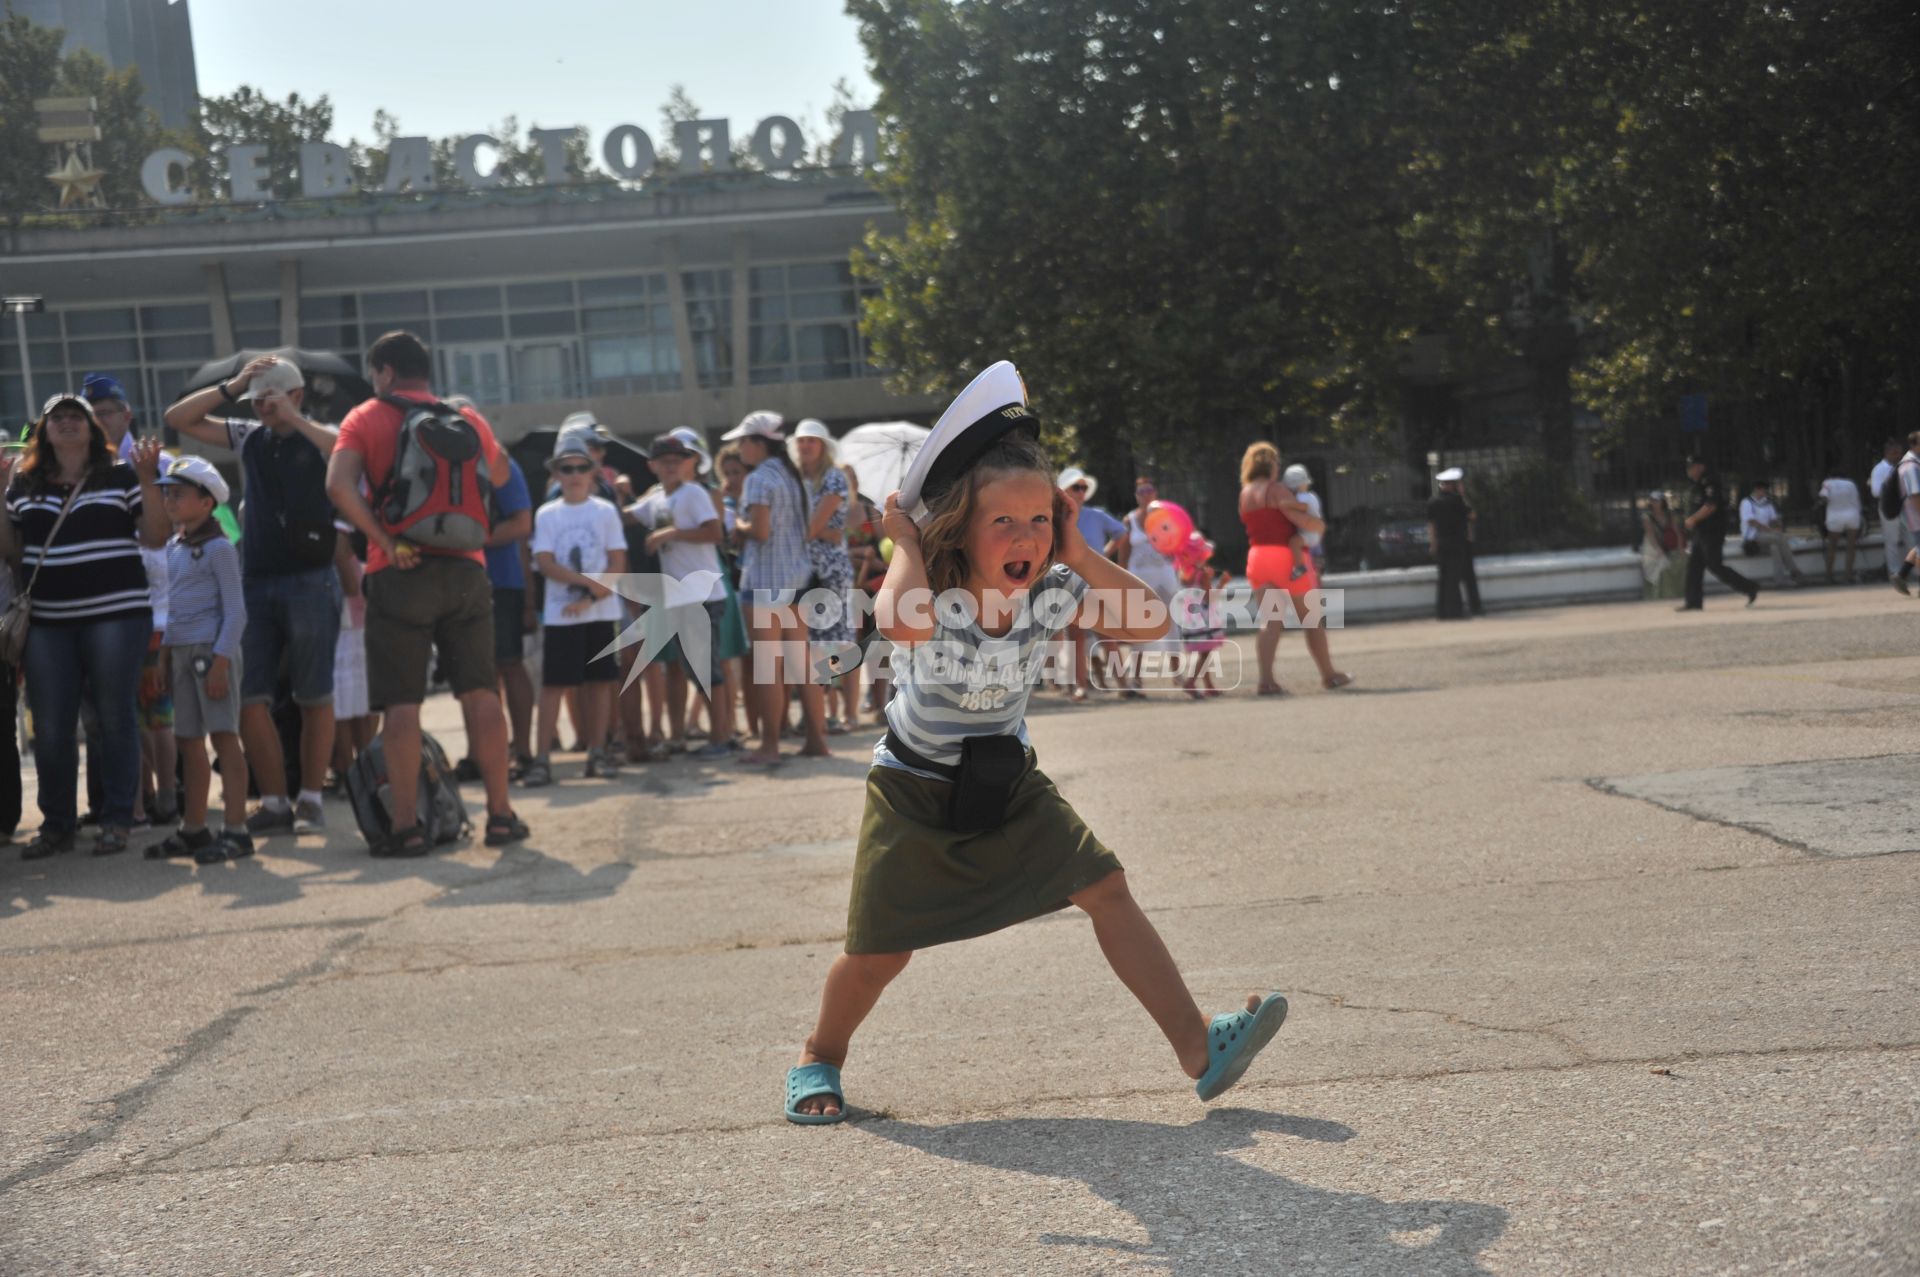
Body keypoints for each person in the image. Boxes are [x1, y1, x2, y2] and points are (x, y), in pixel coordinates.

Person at [783, 361, 1287, 1124]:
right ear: (960, 526)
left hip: (1007, 780)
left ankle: (1200, 1048)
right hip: (914, 789)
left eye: (1040, 520)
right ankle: (820, 1054)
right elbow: (901, 623)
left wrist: (1080, 552)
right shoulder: (936, 580)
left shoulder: (1053, 583)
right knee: (878, 955)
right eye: (1004, 523)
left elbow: (1152, 622)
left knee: (1106, 887)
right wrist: (904, 544)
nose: (1026, 537)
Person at [325, 330, 529, 856]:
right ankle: (501, 816)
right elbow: (501, 471)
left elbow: (338, 486)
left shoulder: (366, 417)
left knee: (402, 703)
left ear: (386, 371)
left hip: (401, 569)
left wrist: (385, 542)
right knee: (481, 694)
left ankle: (405, 826)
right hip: (466, 567)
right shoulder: (465, 418)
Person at [164, 355, 343, 836]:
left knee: (313, 694)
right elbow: (178, 421)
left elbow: (348, 447)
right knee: (250, 697)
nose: (261, 406)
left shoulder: (320, 435)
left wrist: (295, 418)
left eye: (270, 396)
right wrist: (234, 386)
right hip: (257, 580)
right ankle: (275, 801)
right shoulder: (249, 436)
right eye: (256, 399)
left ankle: (310, 799)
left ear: (297, 395)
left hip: (312, 577)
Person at [0, 395, 170, 858]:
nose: (68, 423)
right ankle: (57, 824)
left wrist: (149, 479)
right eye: (58, 417)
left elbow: (156, 536)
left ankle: (117, 819)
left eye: (77, 416)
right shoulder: (24, 485)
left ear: (93, 430)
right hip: (49, 622)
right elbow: (10, 552)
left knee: (114, 718)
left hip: (116, 614)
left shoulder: (120, 476)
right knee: (51, 727)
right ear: (44, 432)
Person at [147, 457, 253, 865]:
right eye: (166, 493)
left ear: (207, 502)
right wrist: (163, 657)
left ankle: (236, 829)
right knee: (187, 740)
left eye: (179, 493)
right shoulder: (175, 546)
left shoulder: (219, 548)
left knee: (224, 737)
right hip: (182, 652)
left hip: (212, 652)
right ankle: (194, 828)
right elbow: (174, 609)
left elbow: (236, 612)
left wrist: (223, 662)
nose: (170, 500)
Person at [83, 374, 177, 828]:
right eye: (93, 412)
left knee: (152, 713)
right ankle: (129, 800)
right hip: (106, 606)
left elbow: (173, 529)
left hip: (153, 604)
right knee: (116, 713)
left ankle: (163, 797)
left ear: (127, 414)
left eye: (107, 411)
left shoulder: (155, 462)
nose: (100, 420)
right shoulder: (79, 466)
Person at [520, 433, 628, 785]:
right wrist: (587, 586)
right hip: (561, 613)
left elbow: (618, 561)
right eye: (567, 468)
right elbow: (545, 562)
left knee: (600, 683)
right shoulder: (548, 514)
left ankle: (597, 751)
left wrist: (593, 596)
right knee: (554, 685)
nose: (575, 473)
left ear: (594, 472)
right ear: (557, 473)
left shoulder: (606, 511)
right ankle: (541, 759)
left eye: (582, 467)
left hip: (600, 611)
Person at [725, 410, 827, 764]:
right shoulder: (791, 474)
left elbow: (761, 531)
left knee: (768, 667)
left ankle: (769, 745)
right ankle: (817, 740)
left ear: (757, 443)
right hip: (796, 579)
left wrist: (738, 523)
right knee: (801, 665)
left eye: (742, 442)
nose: (739, 450)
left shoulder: (758, 479)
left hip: (765, 581)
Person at [631, 431, 735, 760]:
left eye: (677, 461)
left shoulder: (692, 493)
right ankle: (722, 735)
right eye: (665, 462)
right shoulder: (658, 498)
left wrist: (672, 533)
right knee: (696, 670)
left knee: (707, 670)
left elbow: (715, 532)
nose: (672, 466)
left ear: (688, 463)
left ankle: (722, 737)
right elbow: (627, 513)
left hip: (702, 595)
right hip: (681, 598)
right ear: (653, 466)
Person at [1239, 442, 1352, 695]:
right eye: (1277, 463)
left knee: (1270, 622)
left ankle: (1266, 681)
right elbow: (1299, 519)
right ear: (1270, 464)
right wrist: (1318, 525)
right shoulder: (1277, 489)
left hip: (1257, 557)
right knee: (1311, 620)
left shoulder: (1245, 493)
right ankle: (1329, 675)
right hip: (1286, 557)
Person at [465, 446, 535, 780]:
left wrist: (468, 539)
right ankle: (480, 753)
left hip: (501, 581)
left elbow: (522, 524)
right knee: (472, 674)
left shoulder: (500, 462)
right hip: (457, 581)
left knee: (508, 663)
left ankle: (522, 751)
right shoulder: (435, 460)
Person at [791, 419, 856, 732]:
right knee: (812, 645)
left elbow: (813, 528)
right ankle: (818, 712)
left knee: (833, 645)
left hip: (830, 573)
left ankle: (840, 712)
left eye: (811, 441)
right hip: (803, 572)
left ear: (823, 446)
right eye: (802, 441)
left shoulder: (833, 478)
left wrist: (785, 536)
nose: (805, 446)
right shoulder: (795, 479)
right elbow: (818, 531)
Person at [1056, 466, 1124, 703]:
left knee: (1107, 633)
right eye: (1076, 487)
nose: (1081, 492)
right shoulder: (1056, 518)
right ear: (1064, 490)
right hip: (1068, 578)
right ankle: (1081, 686)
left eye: (1083, 487)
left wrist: (1103, 556)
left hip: (1094, 579)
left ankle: (1124, 684)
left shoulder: (1096, 514)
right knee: (1076, 637)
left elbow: (1121, 533)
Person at [1113, 477, 1182, 698]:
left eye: (1149, 490)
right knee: (1139, 628)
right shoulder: (1129, 520)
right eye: (1141, 490)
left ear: (1155, 493)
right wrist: (1120, 582)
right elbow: (1123, 555)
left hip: (1165, 574)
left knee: (1172, 624)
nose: (1146, 494)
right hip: (1139, 578)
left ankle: (1177, 673)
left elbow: (1178, 545)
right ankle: (1138, 677)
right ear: (1137, 495)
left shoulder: (1166, 517)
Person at [1679, 454, 1759, 611]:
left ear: (1700, 466)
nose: (1689, 470)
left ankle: (1749, 587)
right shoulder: (1698, 484)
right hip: (1701, 532)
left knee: (1714, 565)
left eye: (1692, 467)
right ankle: (1693, 602)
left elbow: (1711, 506)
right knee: (1694, 565)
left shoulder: (1710, 481)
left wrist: (1692, 520)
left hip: (1712, 531)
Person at [1427, 467, 1483, 619]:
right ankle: (1455, 611)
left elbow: (1431, 525)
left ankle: (1442, 612)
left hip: (1441, 543)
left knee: (1443, 578)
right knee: (1454, 577)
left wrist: (1433, 544)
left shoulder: (1433, 501)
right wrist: (1463, 495)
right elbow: (1472, 516)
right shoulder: (1457, 500)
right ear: (1454, 485)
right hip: (1457, 543)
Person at [1739, 481, 1804, 586]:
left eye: (1765, 491)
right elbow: (1751, 521)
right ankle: (1794, 571)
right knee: (1779, 538)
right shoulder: (1747, 502)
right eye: (1762, 490)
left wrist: (1777, 526)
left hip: (1769, 536)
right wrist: (1768, 530)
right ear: (1756, 490)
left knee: (1775, 547)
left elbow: (1773, 519)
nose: (1764, 493)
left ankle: (1780, 580)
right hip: (1754, 536)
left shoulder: (1767, 503)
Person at [1869, 437, 1908, 583]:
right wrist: (1893, 490)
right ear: (1886, 453)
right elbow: (1875, 491)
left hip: (1905, 507)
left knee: (1910, 538)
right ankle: (1894, 573)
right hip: (1889, 506)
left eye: (1899, 453)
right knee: (1891, 541)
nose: (1897, 456)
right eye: (1894, 453)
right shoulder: (1880, 469)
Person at [1640, 491, 1688, 600]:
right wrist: (1658, 550)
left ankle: (1679, 593)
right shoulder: (1647, 517)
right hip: (1652, 547)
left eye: (1657, 501)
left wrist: (1681, 548)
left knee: (1682, 561)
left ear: (1662, 502)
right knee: (1661, 565)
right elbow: (1651, 535)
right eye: (1653, 501)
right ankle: (1660, 596)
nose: (1655, 503)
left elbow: (1678, 532)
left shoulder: (1670, 515)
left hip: (1668, 546)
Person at [1816, 469, 1862, 585]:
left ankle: (1829, 576)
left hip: (1834, 516)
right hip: (1852, 515)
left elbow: (1824, 498)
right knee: (1851, 548)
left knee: (1832, 547)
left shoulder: (1828, 483)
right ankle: (1848, 576)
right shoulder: (1851, 483)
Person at [1281, 464, 1325, 572]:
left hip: (1308, 535)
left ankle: (1299, 567)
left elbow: (1303, 507)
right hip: (1315, 536)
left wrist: (1286, 504)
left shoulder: (1300, 498)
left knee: (1294, 543)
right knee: (1316, 567)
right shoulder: (1312, 496)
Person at [1895, 432, 1920, 596]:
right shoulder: (1911, 466)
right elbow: (1915, 494)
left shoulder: (1913, 463)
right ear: (1915, 444)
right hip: (1916, 513)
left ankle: (1901, 574)